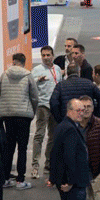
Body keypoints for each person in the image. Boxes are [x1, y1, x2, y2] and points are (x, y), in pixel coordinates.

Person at [49, 99, 93, 200]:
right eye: (79, 110)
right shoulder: (70, 129)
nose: (82, 113)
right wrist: (70, 182)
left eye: (83, 110)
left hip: (65, 183)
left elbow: (54, 155)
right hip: (73, 185)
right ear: (69, 110)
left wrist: (54, 179)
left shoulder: (62, 126)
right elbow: (69, 158)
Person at [0, 53, 39, 190]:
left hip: (8, 115)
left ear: (13, 62)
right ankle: (20, 180)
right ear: (24, 62)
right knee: (22, 148)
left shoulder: (4, 75)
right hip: (23, 116)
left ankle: (6, 179)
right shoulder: (28, 75)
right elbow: (35, 97)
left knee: (9, 147)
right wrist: (32, 112)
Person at [31, 46, 63, 179]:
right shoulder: (36, 70)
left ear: (53, 55)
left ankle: (49, 163)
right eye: (43, 55)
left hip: (55, 106)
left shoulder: (57, 69)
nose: (45, 57)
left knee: (53, 136)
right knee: (39, 134)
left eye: (48, 55)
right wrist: (38, 80)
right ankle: (35, 165)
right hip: (43, 106)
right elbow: (30, 85)